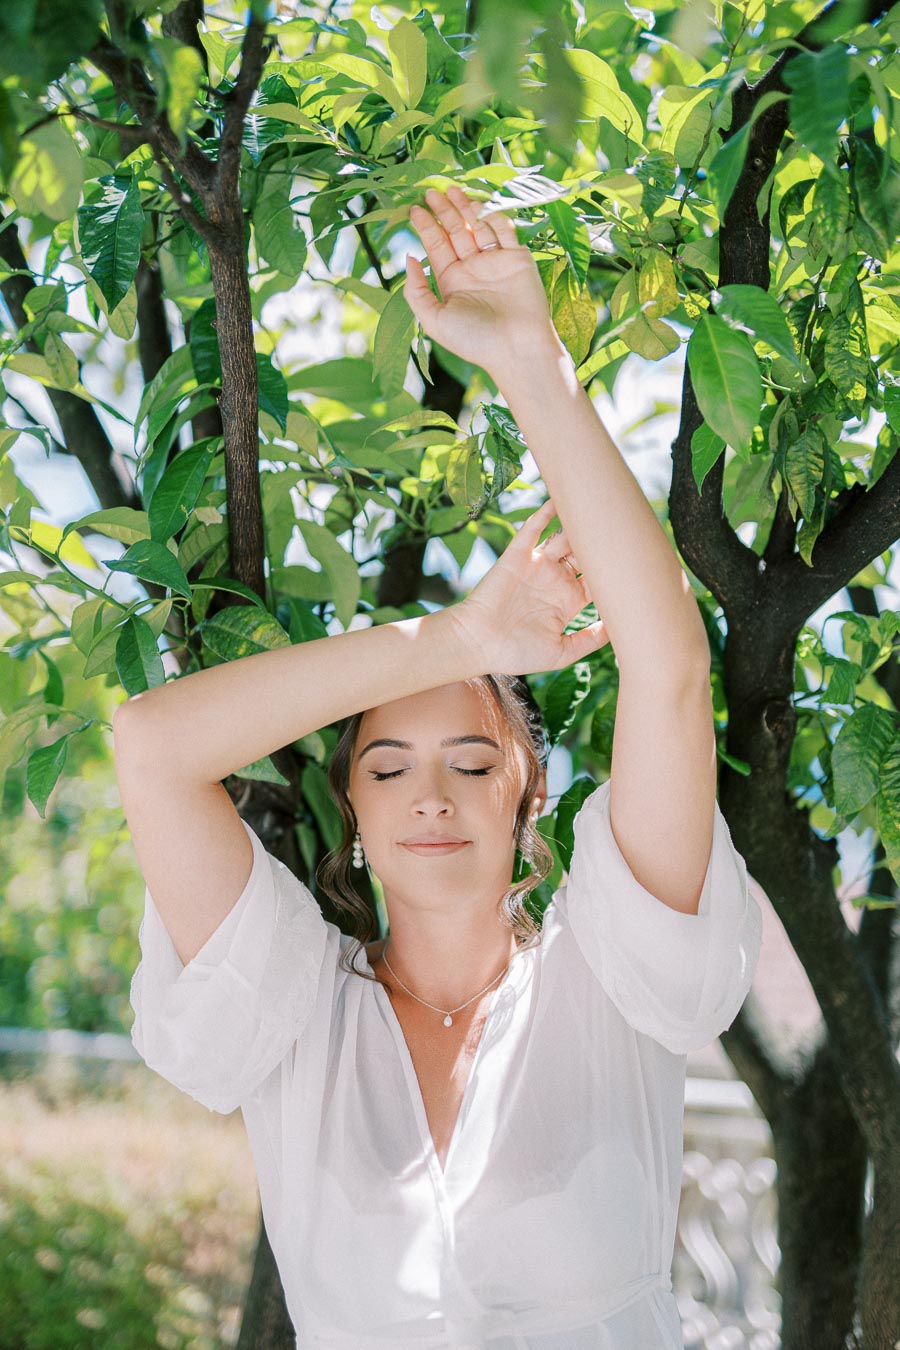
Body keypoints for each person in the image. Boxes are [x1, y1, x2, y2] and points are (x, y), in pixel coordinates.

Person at [113, 185, 763, 1349]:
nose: (430, 795)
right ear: (351, 806)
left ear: (525, 791)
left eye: (472, 762)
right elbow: (151, 748)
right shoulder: (295, 1007)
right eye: (388, 765)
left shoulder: (612, 977)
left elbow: (668, 669)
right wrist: (463, 638)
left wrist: (530, 358)